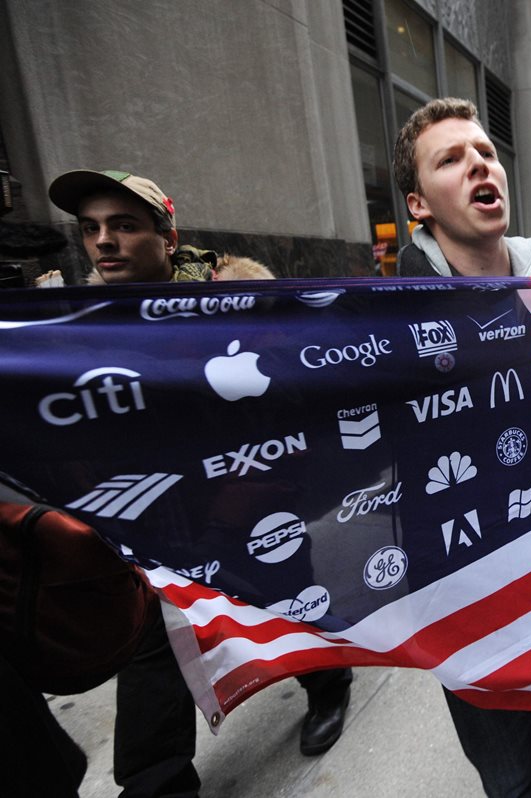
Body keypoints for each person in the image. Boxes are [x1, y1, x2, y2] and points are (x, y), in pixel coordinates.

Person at [47, 169, 353, 796]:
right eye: (91, 229)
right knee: (151, 642)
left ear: (167, 236)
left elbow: (296, 394)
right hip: (157, 522)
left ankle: (328, 682)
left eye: (124, 226)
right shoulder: (72, 327)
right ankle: (155, 782)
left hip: (253, 498)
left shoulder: (241, 301)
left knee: (287, 594)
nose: (104, 241)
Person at [393, 97, 531, 797]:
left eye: (485, 153)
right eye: (451, 159)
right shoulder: (386, 318)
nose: (478, 165)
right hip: (465, 577)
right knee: (510, 779)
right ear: (418, 205)